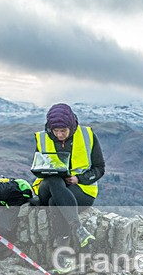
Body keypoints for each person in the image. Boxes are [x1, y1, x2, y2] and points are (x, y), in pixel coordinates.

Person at [32, 103, 103, 255]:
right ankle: (78, 229)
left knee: (55, 203)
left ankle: (63, 252)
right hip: (48, 188)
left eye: (63, 131)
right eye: (55, 131)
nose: (59, 135)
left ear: (71, 125)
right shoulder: (42, 138)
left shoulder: (87, 135)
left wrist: (79, 179)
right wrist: (46, 172)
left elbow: (99, 168)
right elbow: (38, 166)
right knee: (53, 180)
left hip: (81, 190)